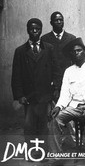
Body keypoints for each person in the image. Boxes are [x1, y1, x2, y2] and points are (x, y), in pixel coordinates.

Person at [48, 37, 85, 165]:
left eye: (79, 50)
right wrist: (58, 106)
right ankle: (56, 157)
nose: (76, 53)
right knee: (55, 118)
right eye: (74, 52)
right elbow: (65, 94)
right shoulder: (68, 71)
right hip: (74, 107)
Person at [11, 18, 60, 160]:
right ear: (27, 30)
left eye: (37, 29)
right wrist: (19, 95)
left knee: (45, 125)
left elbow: (56, 70)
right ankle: (32, 153)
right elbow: (16, 75)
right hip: (29, 96)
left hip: (45, 94)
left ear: (41, 30)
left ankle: (44, 152)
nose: (34, 31)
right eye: (31, 29)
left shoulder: (49, 48)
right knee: (30, 125)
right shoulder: (20, 51)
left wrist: (56, 88)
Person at [41, 11, 76, 100]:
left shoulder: (71, 38)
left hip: (68, 76)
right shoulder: (44, 39)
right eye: (56, 20)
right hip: (51, 79)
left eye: (61, 20)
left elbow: (75, 59)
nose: (59, 22)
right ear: (51, 23)